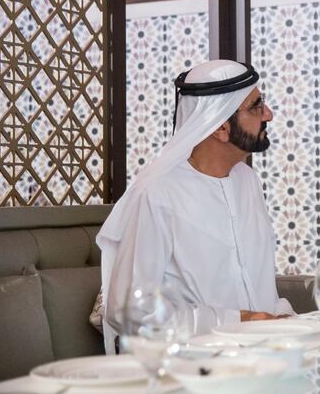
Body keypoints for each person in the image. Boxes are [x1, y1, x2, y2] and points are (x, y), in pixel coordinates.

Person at [97, 59, 294, 353]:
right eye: (256, 107)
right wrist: (237, 321)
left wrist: (286, 321)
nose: (269, 114)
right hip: (190, 364)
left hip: (260, 355)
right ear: (221, 127)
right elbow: (132, 311)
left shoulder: (248, 181)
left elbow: (259, 289)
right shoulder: (158, 193)